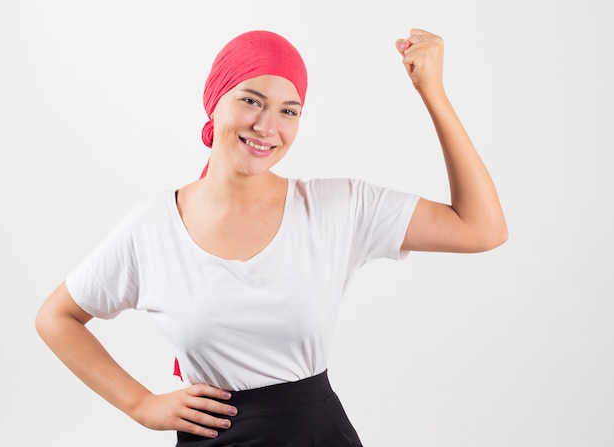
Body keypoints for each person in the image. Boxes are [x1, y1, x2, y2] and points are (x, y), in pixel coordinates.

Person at [36, 28, 507, 446]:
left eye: (289, 110)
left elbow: (481, 228)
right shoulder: (153, 227)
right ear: (215, 100)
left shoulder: (336, 208)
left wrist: (434, 93)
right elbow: (56, 317)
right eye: (251, 99)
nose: (267, 126)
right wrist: (141, 405)